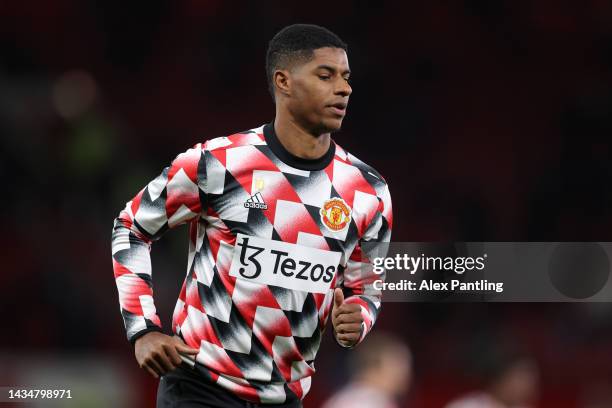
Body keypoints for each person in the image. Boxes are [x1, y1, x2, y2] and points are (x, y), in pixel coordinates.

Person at [110, 23, 393, 407]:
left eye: (346, 77)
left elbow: (366, 289)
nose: (343, 88)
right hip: (200, 388)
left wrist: (358, 318)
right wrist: (142, 329)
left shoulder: (367, 190)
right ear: (284, 82)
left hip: (284, 397)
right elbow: (131, 226)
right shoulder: (220, 163)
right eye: (325, 76)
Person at [322, 332, 412, 408]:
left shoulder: (341, 398)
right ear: (374, 369)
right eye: (398, 365)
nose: (404, 375)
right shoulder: (368, 403)